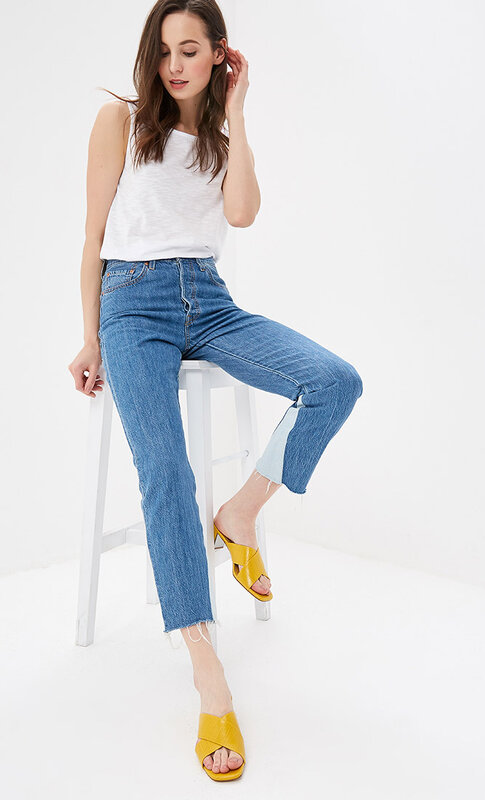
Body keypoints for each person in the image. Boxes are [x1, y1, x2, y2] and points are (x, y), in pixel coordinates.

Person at [68, 0, 363, 782]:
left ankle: (239, 513)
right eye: (165, 49)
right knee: (166, 472)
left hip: (209, 299)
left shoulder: (225, 141)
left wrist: (237, 111)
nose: (174, 64)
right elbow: (92, 237)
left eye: (191, 50)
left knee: (334, 380)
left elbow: (242, 214)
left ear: (218, 56)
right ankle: (208, 674)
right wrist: (91, 336)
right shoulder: (120, 122)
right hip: (132, 304)